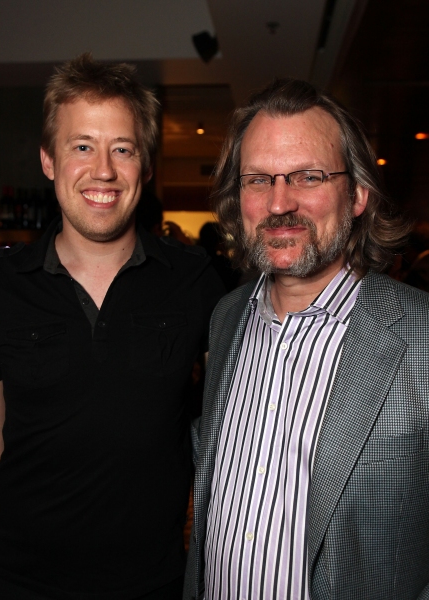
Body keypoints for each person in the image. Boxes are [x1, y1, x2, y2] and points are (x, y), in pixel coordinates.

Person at [0, 53, 224, 600]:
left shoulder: (196, 282)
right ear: (48, 160)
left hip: (155, 586)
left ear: (145, 166)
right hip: (19, 586)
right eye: (82, 145)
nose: (103, 170)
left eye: (122, 149)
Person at [184, 78, 429, 600]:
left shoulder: (421, 336)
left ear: (358, 193)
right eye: (257, 180)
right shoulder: (226, 319)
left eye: (308, 176)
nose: (279, 203)